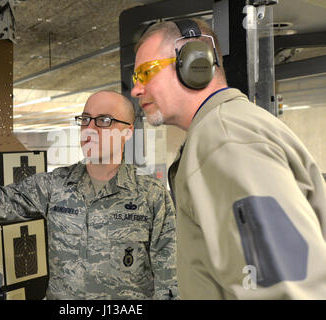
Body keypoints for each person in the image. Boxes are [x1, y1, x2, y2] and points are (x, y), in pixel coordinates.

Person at [131, 18, 326, 299]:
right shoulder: (225, 129)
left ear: (193, 63)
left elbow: (286, 289)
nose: (136, 89)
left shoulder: (224, 140)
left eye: (146, 73)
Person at [0, 90, 178, 300]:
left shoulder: (151, 196)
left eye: (104, 121)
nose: (90, 128)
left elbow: (170, 280)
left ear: (128, 131)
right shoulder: (55, 185)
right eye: (85, 119)